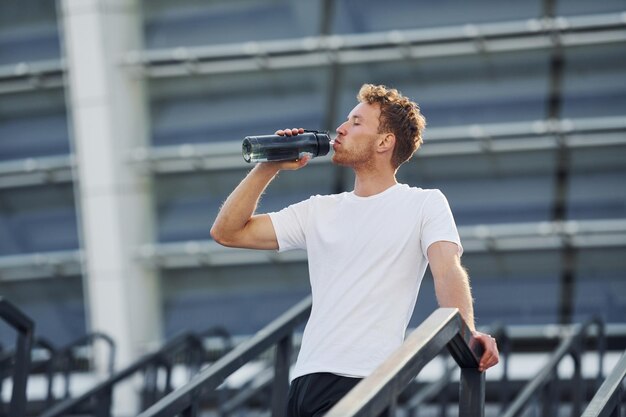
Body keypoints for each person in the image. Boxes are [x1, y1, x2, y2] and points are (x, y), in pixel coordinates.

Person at [211, 83, 499, 417]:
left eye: (357, 122)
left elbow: (448, 269)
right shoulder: (319, 209)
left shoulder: (424, 204)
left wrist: (467, 331)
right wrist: (269, 165)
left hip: (362, 381)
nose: (341, 129)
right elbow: (227, 232)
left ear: (384, 142)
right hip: (304, 382)